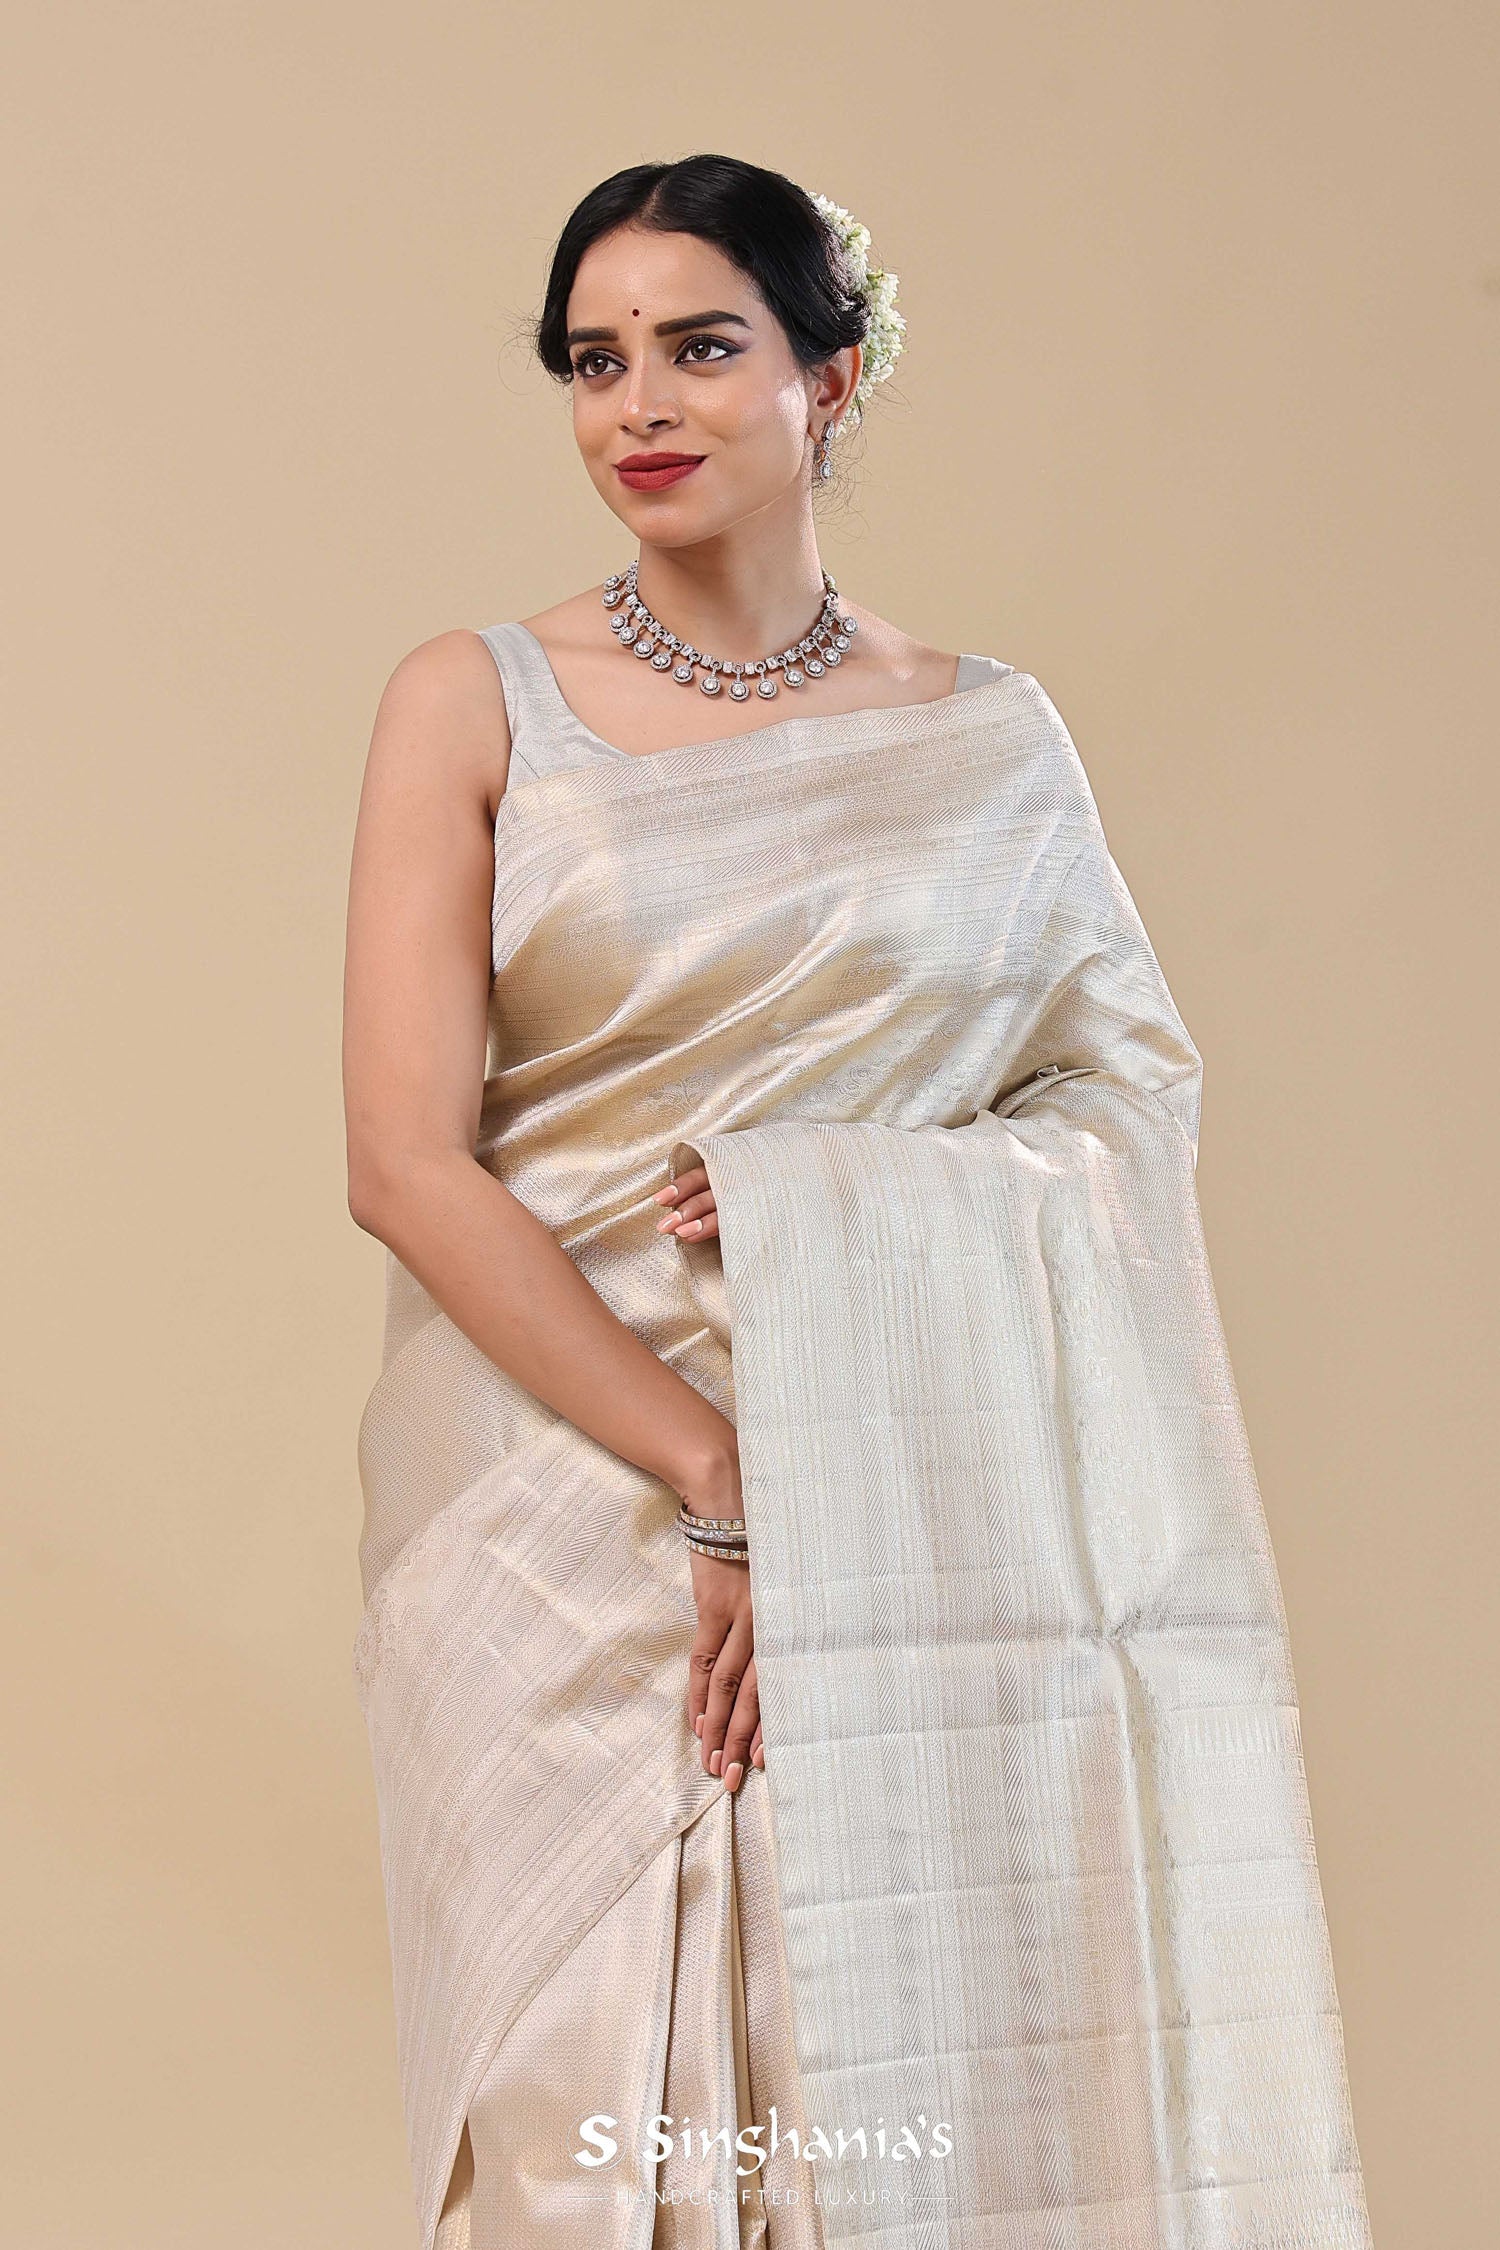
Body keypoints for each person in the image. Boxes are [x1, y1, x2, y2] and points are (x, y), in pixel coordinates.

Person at [342, 154, 1373, 2250]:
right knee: (576, 2117)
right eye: (593, 360)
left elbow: (1123, 1101)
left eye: (701, 348)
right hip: (555, 1506)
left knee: (880, 2086)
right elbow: (404, 1162)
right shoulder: (474, 701)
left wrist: (831, 1217)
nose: (640, 405)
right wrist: (717, 1469)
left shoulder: (987, 741)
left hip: (911, 1509)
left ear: (832, 376)